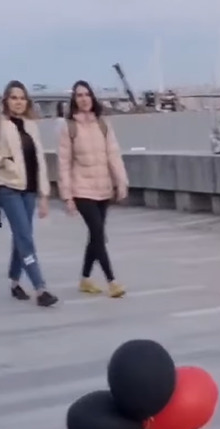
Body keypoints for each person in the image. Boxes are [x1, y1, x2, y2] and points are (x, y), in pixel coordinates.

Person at [58, 80, 128, 297]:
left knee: (95, 236)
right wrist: (67, 196)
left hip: (103, 188)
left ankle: (85, 279)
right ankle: (112, 281)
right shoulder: (68, 127)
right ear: (74, 100)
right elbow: (64, 164)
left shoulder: (103, 125)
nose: (84, 99)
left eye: (87, 94)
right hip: (82, 189)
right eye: (79, 95)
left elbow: (113, 155)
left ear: (92, 98)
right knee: (99, 234)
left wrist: (121, 182)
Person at [0, 80, 58, 306]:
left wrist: (44, 194)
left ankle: (15, 281)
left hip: (30, 190)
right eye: (14, 98)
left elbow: (40, 161)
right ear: (6, 100)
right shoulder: (2, 125)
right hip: (9, 188)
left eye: (22, 98)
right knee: (25, 236)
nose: (18, 102)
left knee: (21, 237)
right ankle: (40, 288)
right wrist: (9, 164)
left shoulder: (31, 126)